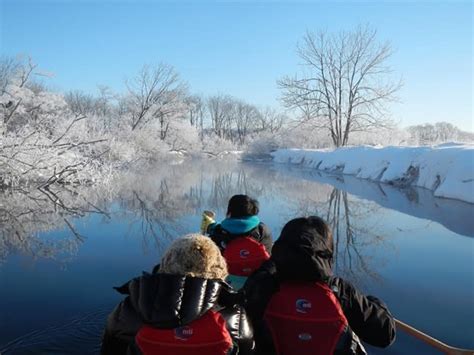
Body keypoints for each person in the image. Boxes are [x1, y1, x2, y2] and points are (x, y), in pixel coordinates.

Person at [241, 216, 396, 355]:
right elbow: (386, 335)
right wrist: (375, 303)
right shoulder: (341, 292)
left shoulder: (263, 285)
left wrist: (270, 266)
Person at [101, 234, 255, 355]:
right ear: (219, 270)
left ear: (164, 266)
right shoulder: (235, 316)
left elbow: (109, 350)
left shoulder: (128, 310)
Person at [203, 194, 273, 289]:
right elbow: (267, 255)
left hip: (226, 281)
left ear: (230, 211)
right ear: (253, 211)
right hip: (255, 281)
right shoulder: (262, 230)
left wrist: (210, 227)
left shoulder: (219, 232)